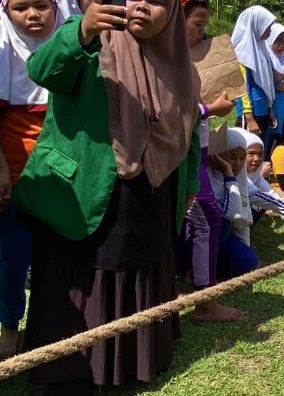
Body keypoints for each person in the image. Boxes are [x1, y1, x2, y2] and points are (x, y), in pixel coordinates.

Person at [12, 1, 200, 393]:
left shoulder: (181, 63)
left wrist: (191, 186)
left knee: (140, 265)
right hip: (87, 192)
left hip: (152, 189)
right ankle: (77, 368)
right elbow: (42, 69)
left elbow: (189, 131)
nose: (143, 7)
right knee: (91, 269)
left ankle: (134, 360)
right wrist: (81, 32)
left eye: (157, 2)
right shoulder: (92, 41)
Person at [0, 0, 77, 360]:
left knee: (60, 258)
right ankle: (10, 328)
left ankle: (53, 329)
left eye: (42, 5)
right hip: (13, 181)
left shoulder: (74, 40)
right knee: (12, 261)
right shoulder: (1, 49)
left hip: (65, 179)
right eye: (20, 7)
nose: (32, 15)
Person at [182, 0, 241, 322]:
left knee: (202, 222)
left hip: (199, 152)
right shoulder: (168, 61)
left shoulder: (188, 60)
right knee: (206, 220)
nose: (203, 33)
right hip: (181, 155)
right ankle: (204, 299)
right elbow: (167, 115)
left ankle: (196, 286)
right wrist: (209, 110)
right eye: (198, 24)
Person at [207, 127, 259, 280]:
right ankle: (200, 272)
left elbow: (242, 221)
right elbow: (233, 214)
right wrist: (227, 171)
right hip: (198, 245)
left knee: (249, 261)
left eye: (242, 158)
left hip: (220, 243)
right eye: (232, 157)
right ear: (219, 155)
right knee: (223, 221)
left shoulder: (240, 180)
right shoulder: (208, 179)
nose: (238, 164)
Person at [231, 5, 277, 138]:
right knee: (248, 153)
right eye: (267, 27)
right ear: (257, 25)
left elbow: (266, 84)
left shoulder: (261, 49)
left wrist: (270, 109)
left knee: (260, 151)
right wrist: (249, 118)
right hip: (251, 113)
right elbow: (241, 89)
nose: (270, 31)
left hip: (263, 111)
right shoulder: (242, 55)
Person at [264, 22, 284, 158]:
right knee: (267, 137)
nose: (281, 45)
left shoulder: (283, 59)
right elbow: (269, 79)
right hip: (270, 105)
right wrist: (280, 82)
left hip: (281, 106)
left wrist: (281, 76)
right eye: (278, 41)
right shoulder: (266, 56)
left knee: (276, 138)